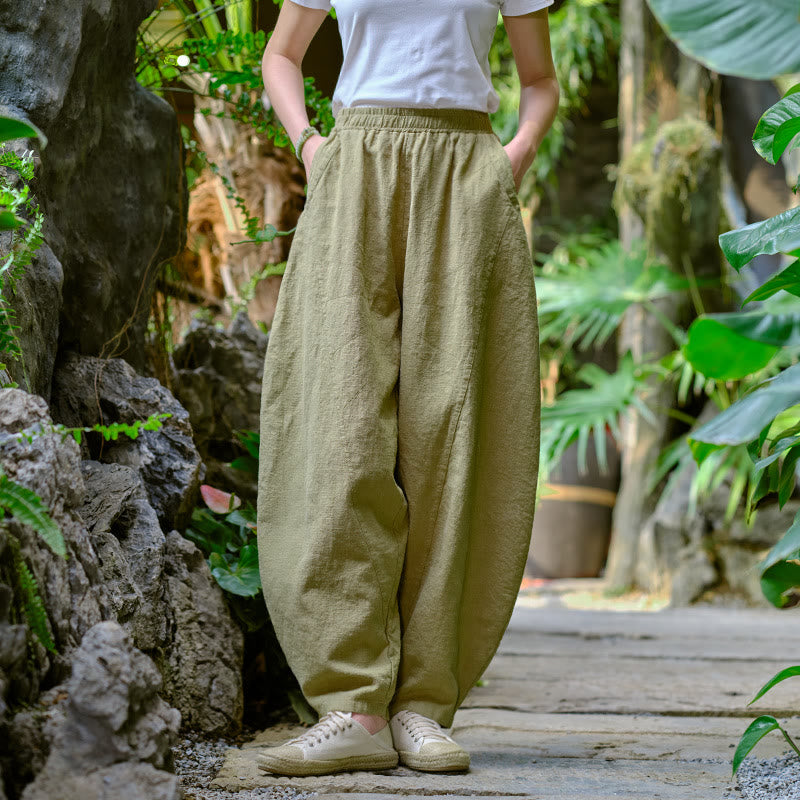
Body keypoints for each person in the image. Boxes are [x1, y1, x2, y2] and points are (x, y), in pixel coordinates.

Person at [255, 0, 559, 778]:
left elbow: (540, 82)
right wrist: (312, 145)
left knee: (450, 435)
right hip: (356, 167)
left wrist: (510, 160)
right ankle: (351, 706)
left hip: (466, 172)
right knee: (340, 426)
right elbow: (280, 57)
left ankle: (423, 705)